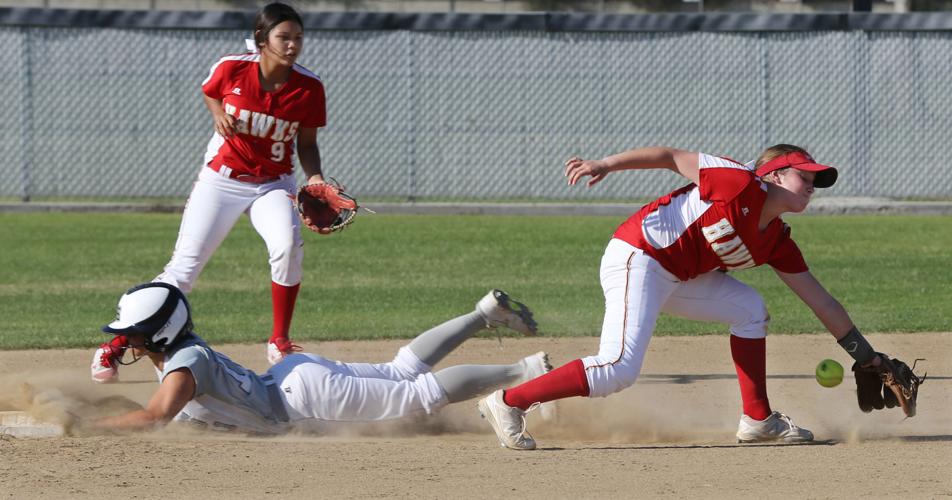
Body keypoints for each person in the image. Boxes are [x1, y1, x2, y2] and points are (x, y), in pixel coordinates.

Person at [477, 144, 901, 450]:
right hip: (639, 256)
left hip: (679, 277)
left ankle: (757, 420)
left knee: (751, 310)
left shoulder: (777, 241)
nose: (811, 186)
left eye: (815, 181)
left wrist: (869, 357)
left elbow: (821, 302)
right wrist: (604, 163)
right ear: (773, 174)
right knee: (618, 369)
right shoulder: (737, 182)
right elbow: (668, 156)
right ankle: (507, 402)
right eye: (803, 176)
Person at [92, 2, 327, 383]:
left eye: (298, 38)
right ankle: (116, 344)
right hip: (222, 179)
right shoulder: (232, 68)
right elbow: (210, 91)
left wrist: (314, 177)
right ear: (261, 40)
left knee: (287, 245)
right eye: (283, 37)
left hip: (272, 183)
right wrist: (217, 111)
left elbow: (308, 143)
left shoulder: (309, 86)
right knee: (184, 268)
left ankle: (279, 340)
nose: (292, 45)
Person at [90, 282, 552, 434]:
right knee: (402, 370)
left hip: (303, 399)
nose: (125, 342)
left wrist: (91, 429)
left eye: (131, 335)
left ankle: (524, 372)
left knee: (421, 392)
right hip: (294, 376)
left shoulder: (183, 370)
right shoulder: (184, 349)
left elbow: (154, 417)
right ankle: (481, 315)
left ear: (157, 334)